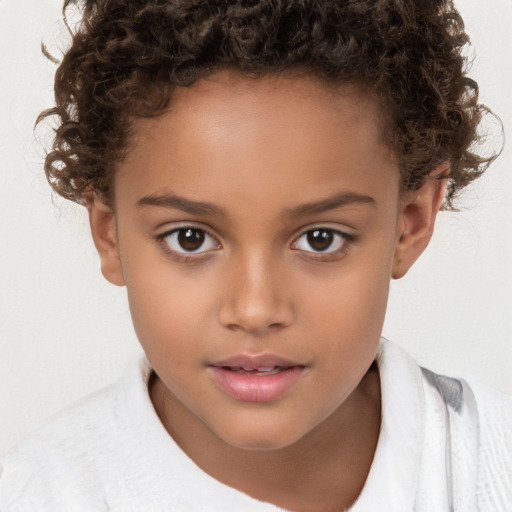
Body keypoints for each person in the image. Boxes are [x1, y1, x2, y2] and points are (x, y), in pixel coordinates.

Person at [0, 0, 510, 510]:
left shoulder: (491, 468)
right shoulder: (37, 494)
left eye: (320, 239)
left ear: (411, 220)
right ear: (109, 232)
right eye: (190, 239)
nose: (255, 309)